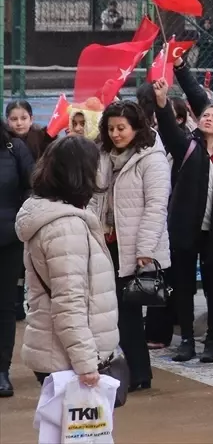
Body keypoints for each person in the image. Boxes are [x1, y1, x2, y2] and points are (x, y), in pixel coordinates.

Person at [152, 79, 213, 364]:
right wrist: (162, 103)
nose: (208, 118)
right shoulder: (187, 147)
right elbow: (169, 130)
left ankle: (212, 340)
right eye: (205, 115)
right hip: (184, 229)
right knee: (183, 285)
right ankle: (188, 341)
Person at [15, 137, 119, 389]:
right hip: (66, 360)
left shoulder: (52, 213)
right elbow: (69, 301)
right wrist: (86, 363)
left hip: (60, 351)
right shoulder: (65, 227)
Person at [93, 100, 170, 393]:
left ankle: (139, 374)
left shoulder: (152, 159)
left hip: (136, 248)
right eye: (111, 128)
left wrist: (145, 248)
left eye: (121, 128)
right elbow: (95, 196)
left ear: (136, 128)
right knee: (112, 312)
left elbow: (156, 206)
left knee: (129, 313)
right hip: (108, 243)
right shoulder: (103, 155)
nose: (115, 134)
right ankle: (129, 370)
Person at [0, 121, 34, 397]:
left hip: (7, 240)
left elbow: (31, 186)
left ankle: (2, 369)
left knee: (4, 306)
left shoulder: (14, 148)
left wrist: (18, 221)